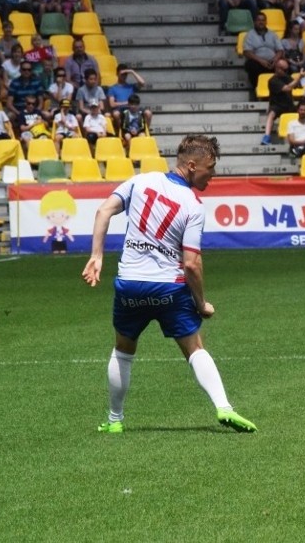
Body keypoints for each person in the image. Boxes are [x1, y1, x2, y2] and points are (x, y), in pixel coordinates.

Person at [82, 135, 257, 434]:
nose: (213, 174)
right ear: (191, 165)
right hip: (168, 288)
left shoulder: (141, 180)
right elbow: (191, 264)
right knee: (195, 348)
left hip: (130, 285)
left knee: (123, 351)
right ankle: (224, 407)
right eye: (210, 168)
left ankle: (114, 421)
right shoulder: (192, 205)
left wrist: (97, 255)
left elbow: (103, 211)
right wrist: (201, 303)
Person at [243, 12, 283, 100]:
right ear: (254, 22)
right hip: (258, 62)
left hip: (272, 61)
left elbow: (280, 50)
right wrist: (261, 61)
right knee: (251, 65)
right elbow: (247, 52)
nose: (261, 22)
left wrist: (275, 60)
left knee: (284, 64)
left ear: (266, 22)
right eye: (259, 20)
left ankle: (280, 92)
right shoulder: (249, 35)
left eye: (263, 20)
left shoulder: (273, 34)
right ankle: (256, 90)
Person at [261, 59, 301, 144]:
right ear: (278, 68)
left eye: (287, 69)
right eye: (284, 70)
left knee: (303, 109)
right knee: (271, 114)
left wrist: (300, 80)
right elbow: (287, 88)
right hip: (277, 105)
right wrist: (298, 78)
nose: (286, 72)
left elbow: (297, 85)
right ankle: (267, 136)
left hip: (289, 104)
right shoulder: (273, 81)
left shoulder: (287, 77)